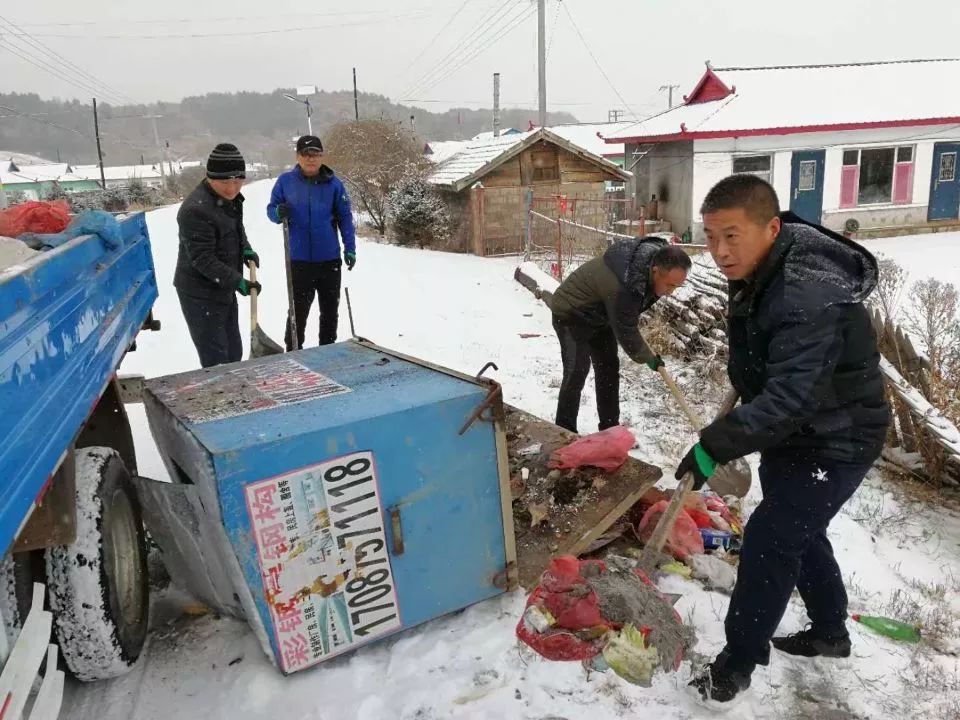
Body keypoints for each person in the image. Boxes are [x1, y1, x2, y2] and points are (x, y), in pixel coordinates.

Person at [682, 175, 890, 704]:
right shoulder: (763, 267)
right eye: (709, 237)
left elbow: (792, 397)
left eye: (732, 235)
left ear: (772, 228)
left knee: (774, 533)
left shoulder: (807, 295)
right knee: (798, 523)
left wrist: (715, 444)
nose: (719, 252)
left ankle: (736, 663)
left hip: (838, 436)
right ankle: (829, 632)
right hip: (798, 430)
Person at [549, 237, 691, 434]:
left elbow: (627, 318)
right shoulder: (624, 284)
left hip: (601, 315)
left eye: (676, 286)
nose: (671, 292)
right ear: (655, 271)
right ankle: (563, 431)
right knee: (577, 369)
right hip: (571, 312)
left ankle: (610, 429)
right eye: (669, 285)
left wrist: (645, 352)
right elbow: (627, 331)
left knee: (608, 368)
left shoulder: (649, 269)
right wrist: (648, 358)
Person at [174, 143, 260, 368]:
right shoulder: (195, 210)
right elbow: (202, 258)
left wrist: (245, 249)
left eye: (238, 181)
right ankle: (223, 399)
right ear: (209, 177)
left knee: (233, 350)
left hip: (222, 286)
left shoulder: (228, 199)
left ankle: (235, 393)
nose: (232, 189)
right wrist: (237, 281)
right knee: (216, 358)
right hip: (200, 293)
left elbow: (235, 227)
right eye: (225, 182)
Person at [266, 135, 356, 350]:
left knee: (329, 311)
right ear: (298, 156)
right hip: (299, 260)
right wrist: (278, 212)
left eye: (315, 154)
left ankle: (327, 350)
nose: (311, 159)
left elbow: (345, 217)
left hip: (329, 260)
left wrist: (350, 248)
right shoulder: (285, 182)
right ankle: (294, 351)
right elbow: (271, 210)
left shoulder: (334, 185)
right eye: (306, 154)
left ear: (322, 156)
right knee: (297, 311)